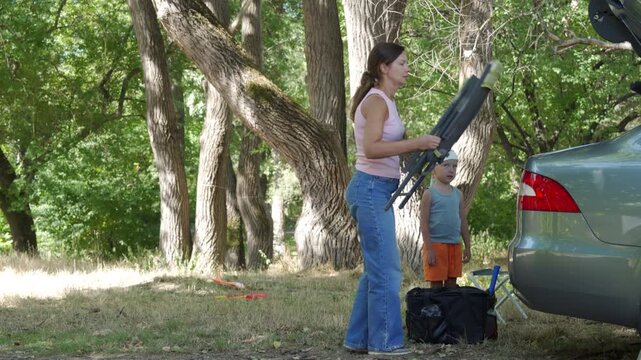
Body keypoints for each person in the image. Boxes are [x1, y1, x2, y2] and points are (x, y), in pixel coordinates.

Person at [342, 42, 441, 356]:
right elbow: (371, 149)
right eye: (402, 63)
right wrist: (416, 143)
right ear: (384, 67)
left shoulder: (387, 101)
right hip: (370, 188)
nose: (407, 68)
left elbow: (385, 149)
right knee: (387, 270)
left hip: (378, 188)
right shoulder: (376, 102)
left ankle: (358, 339)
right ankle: (384, 343)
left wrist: (421, 151)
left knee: (376, 270)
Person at [420, 149, 471, 289]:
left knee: (451, 285)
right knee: (436, 284)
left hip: (455, 244)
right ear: (433, 169)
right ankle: (436, 310)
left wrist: (467, 246)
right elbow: (423, 223)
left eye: (454, 166)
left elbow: (462, 221)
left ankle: (450, 310)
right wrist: (429, 248)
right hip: (436, 246)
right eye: (446, 165)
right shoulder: (429, 194)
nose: (451, 170)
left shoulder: (458, 194)